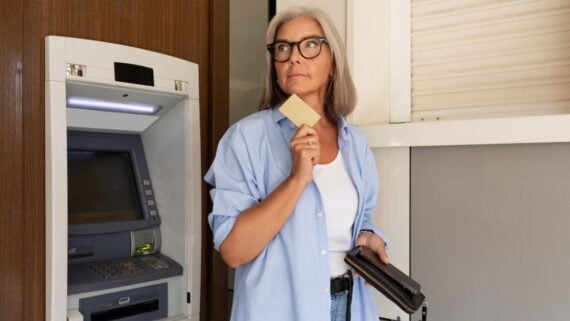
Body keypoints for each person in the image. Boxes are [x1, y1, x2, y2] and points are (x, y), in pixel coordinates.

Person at [205, 6, 389, 321]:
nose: (294, 57)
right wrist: (296, 180)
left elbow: (364, 218)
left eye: (310, 44)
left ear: (333, 61)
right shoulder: (246, 139)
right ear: (274, 64)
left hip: (351, 306)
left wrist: (370, 237)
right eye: (283, 47)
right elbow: (233, 251)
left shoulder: (355, 142)